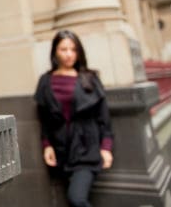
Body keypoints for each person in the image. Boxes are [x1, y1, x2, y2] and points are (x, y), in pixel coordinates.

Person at [34, 30, 114, 207]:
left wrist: (106, 147)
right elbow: (45, 119)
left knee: (76, 198)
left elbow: (104, 117)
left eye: (73, 49)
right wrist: (47, 146)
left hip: (87, 149)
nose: (69, 54)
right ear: (55, 51)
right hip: (61, 150)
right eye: (63, 49)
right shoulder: (46, 81)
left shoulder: (89, 78)